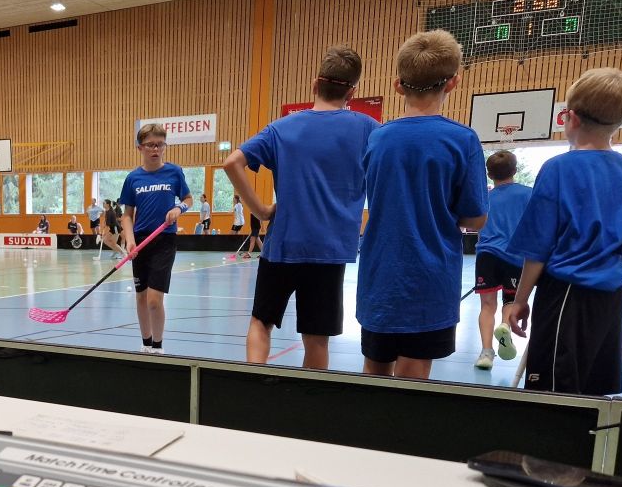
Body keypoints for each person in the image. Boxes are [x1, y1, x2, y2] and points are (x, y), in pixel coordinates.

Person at [506, 68, 622, 395]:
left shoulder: (558, 168)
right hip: (611, 300)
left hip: (567, 294)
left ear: (570, 118)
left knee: (553, 393)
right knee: (591, 391)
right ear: (621, 122)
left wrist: (520, 300)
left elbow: (538, 247)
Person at [224, 45, 379, 368]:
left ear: (314, 84)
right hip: (330, 251)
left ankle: (251, 385)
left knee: (261, 322)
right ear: (352, 92)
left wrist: (261, 210)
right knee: (316, 338)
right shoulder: (368, 129)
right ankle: (310, 397)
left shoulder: (281, 128)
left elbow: (232, 162)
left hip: (283, 245)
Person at [357, 30, 487, 380]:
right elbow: (476, 218)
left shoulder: (377, 138)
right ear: (454, 82)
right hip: (429, 280)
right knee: (412, 378)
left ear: (398, 86)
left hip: (379, 277)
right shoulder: (462, 140)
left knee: (373, 373)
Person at [119, 123, 192, 354]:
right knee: (141, 298)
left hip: (164, 241)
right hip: (141, 241)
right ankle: (146, 343)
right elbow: (127, 215)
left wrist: (179, 208)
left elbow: (188, 199)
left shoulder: (174, 172)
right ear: (140, 148)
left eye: (160, 144)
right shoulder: (133, 178)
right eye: (150, 145)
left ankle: (158, 347)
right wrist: (130, 240)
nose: (155, 149)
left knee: (153, 299)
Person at [472, 151, 532, 370]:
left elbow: (476, 226)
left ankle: (486, 353)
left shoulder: (484, 199)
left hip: (487, 255)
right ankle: (505, 325)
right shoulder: (528, 194)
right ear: (515, 171)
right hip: (515, 256)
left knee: (487, 306)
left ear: (489, 174)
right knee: (510, 301)